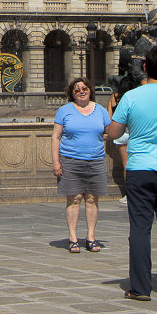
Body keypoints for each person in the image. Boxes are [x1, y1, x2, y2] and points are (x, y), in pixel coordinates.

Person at [107, 45, 157, 301]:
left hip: (140, 168)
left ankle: (141, 288)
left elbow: (115, 133)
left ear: (144, 67)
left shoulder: (131, 97)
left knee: (140, 229)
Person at [51, 76, 112, 253]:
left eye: (84, 88)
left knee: (92, 199)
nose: (82, 92)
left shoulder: (100, 111)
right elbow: (56, 136)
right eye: (77, 90)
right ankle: (73, 238)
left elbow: (110, 131)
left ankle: (91, 237)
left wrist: (104, 137)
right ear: (72, 93)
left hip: (96, 159)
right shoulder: (64, 111)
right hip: (70, 160)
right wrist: (56, 161)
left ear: (90, 91)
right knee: (74, 198)